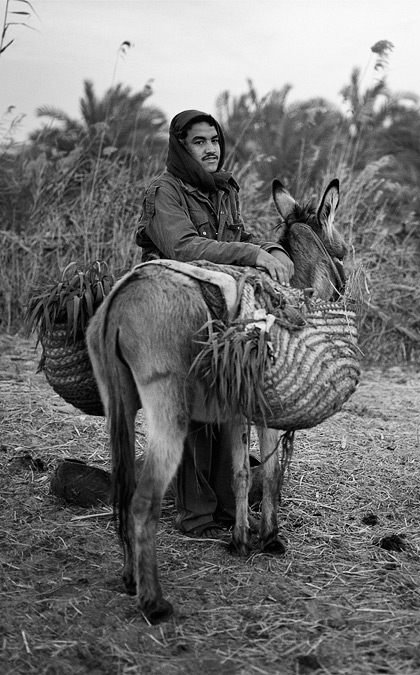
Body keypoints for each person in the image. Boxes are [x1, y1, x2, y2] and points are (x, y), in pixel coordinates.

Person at [134, 109, 293, 538]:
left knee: (231, 392)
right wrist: (250, 255)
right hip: (171, 304)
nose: (210, 149)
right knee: (192, 405)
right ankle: (196, 514)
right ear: (180, 146)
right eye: (199, 141)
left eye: (215, 140)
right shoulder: (164, 191)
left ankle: (228, 508)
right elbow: (183, 248)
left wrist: (269, 249)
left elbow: (234, 241)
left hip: (217, 303)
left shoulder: (223, 189)